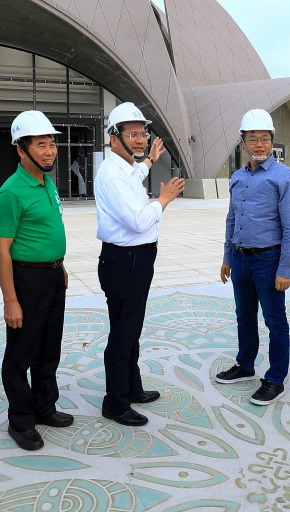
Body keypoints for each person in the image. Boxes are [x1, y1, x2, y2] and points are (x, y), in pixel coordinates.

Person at [95, 102, 185, 426]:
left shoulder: (128, 167)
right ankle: (115, 402)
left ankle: (131, 388)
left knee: (131, 329)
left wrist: (150, 160)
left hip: (136, 259)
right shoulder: (112, 173)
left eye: (142, 133)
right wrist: (164, 199)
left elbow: (138, 172)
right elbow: (137, 220)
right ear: (113, 138)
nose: (140, 138)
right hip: (125, 260)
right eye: (131, 133)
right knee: (122, 333)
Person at [0, 111, 74, 451]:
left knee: (48, 348)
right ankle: (21, 421)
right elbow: (1, 250)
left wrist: (61, 266)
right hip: (27, 280)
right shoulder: (10, 193)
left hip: (53, 276)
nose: (50, 151)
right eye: (41, 144)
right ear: (20, 149)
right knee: (20, 354)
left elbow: (45, 231)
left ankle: (44, 407)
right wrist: (11, 300)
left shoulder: (46, 182)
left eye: (52, 143)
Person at [218, 109, 290, 405]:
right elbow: (232, 218)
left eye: (265, 139)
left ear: (272, 141)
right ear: (243, 144)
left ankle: (275, 378)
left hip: (268, 261)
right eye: (252, 139)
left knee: (275, 321)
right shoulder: (238, 176)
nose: (259, 144)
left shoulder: (285, 178)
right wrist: (227, 257)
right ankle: (245, 365)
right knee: (244, 316)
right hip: (240, 260)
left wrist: (285, 269)